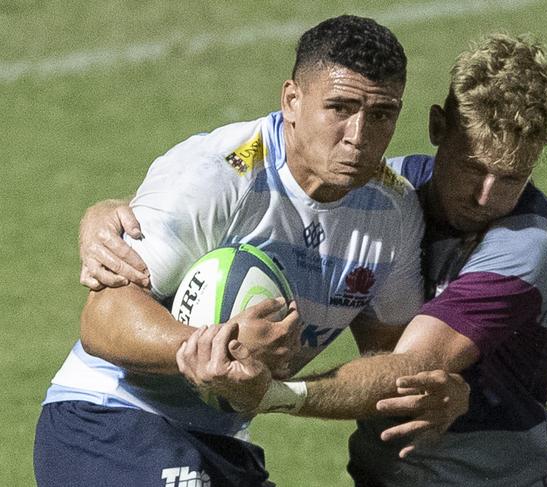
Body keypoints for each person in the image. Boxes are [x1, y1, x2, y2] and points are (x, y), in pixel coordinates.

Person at [84, 33, 547, 486]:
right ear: (436, 127)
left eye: (512, 178)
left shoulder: (525, 245)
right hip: (384, 474)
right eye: (473, 167)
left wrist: (268, 390)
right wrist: (105, 213)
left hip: (504, 479)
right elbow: (241, 191)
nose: (486, 197)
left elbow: (410, 364)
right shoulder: (382, 192)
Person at [35, 15, 468, 487]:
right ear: (292, 101)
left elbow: (388, 356)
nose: (359, 136)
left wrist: (414, 386)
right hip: (108, 418)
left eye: (382, 114)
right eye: (339, 108)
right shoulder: (218, 175)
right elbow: (103, 318)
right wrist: (210, 350)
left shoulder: (394, 211)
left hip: (223, 439)